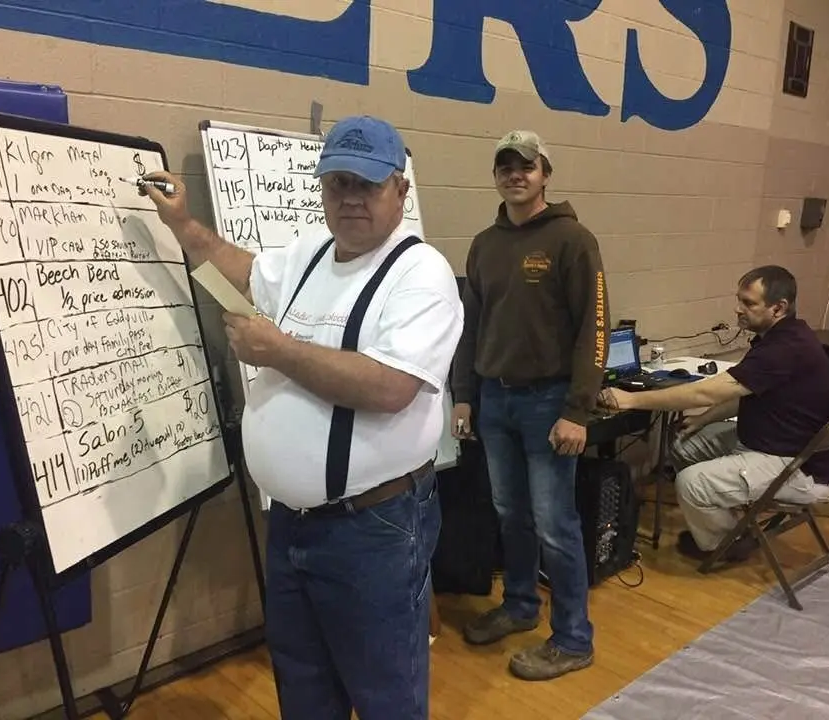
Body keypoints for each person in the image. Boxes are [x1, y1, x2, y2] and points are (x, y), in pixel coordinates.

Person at [142, 115, 464, 720]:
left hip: (373, 530)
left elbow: (391, 387)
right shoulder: (310, 253)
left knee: (386, 694)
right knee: (304, 686)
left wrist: (278, 350)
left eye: (366, 184)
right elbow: (243, 271)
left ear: (399, 190)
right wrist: (183, 224)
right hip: (292, 524)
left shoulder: (421, 275)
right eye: (338, 182)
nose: (350, 198)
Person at [451, 130, 610, 681]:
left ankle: (573, 639)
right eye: (505, 167)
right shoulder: (484, 244)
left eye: (526, 166)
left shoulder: (573, 239)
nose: (515, 175)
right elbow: (470, 326)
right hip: (495, 400)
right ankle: (520, 605)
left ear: (545, 173)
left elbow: (594, 329)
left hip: (549, 404)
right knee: (510, 514)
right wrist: (465, 396)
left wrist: (577, 410)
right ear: (496, 176)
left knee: (554, 524)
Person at [597, 266, 829, 560]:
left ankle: (726, 544)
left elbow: (705, 393)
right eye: (739, 300)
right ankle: (726, 519)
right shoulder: (778, 337)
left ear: (778, 308)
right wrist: (704, 419)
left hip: (800, 466)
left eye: (748, 303)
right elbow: (748, 392)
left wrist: (630, 400)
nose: (738, 309)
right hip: (774, 443)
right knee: (685, 444)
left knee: (691, 483)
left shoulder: (785, 348)